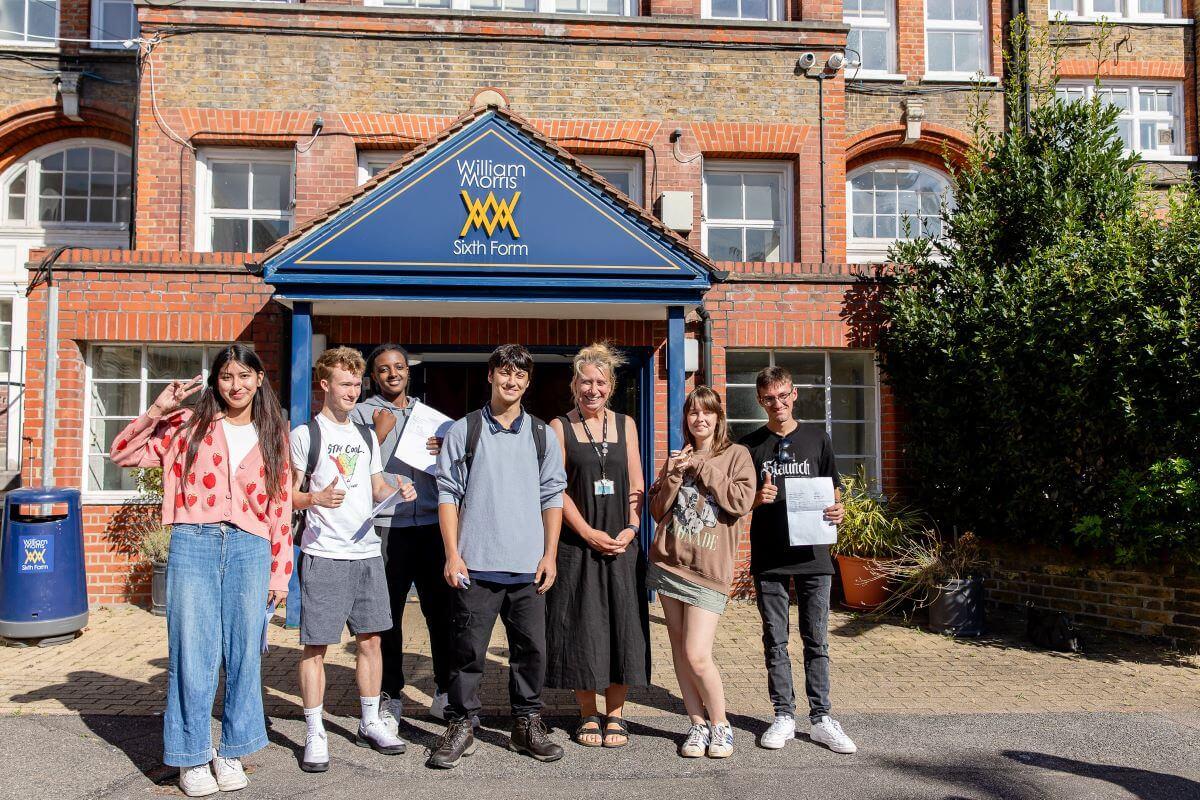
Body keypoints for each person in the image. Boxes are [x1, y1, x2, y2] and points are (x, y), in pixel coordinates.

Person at [110, 344, 292, 797]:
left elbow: (282, 505)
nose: (236, 385)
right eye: (227, 376)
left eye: (245, 376)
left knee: (245, 653)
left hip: (251, 547)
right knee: (193, 651)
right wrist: (159, 408)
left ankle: (232, 750)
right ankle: (192, 757)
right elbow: (122, 453)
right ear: (216, 381)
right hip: (195, 541)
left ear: (260, 379)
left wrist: (279, 573)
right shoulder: (187, 427)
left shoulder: (273, 432)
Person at [428, 344, 568, 769]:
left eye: (520, 376)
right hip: (476, 564)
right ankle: (462, 725)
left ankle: (526, 724)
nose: (512, 382)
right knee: (467, 651)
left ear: (528, 382)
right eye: (505, 373)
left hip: (528, 566)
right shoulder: (464, 430)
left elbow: (553, 497)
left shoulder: (543, 435)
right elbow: (448, 495)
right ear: (490, 376)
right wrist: (452, 554)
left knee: (531, 651)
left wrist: (550, 555)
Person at [290, 346, 417, 773]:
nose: (353, 391)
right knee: (315, 647)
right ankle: (315, 731)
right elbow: (284, 495)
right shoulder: (305, 436)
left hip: (367, 553)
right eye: (345, 383)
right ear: (324, 385)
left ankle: (369, 721)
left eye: (357, 384)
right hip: (325, 554)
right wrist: (314, 498)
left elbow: (375, 486)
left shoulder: (364, 436)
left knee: (372, 641)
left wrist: (398, 486)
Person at [738, 366, 855, 754]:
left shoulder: (818, 439)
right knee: (775, 639)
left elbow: (834, 492)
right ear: (760, 401)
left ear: (795, 393)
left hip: (814, 556)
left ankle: (821, 718)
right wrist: (756, 500)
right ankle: (784, 715)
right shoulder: (750, 445)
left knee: (816, 639)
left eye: (783, 395)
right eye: (769, 398)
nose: (778, 403)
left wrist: (838, 510)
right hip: (770, 556)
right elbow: (737, 503)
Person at [546, 342, 649, 749]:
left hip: (621, 542)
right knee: (582, 626)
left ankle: (617, 713)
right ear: (574, 385)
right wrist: (588, 532)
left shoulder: (626, 424)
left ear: (611, 385)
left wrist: (632, 526)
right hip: (579, 542)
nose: (593, 389)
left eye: (600, 382)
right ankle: (588, 712)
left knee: (623, 625)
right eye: (585, 382)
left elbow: (637, 484)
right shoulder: (560, 427)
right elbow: (556, 488)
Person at [648, 386, 756, 759]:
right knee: (679, 649)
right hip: (669, 565)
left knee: (697, 653)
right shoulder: (677, 457)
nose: (700, 419)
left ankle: (721, 725)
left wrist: (701, 466)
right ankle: (696, 724)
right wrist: (674, 474)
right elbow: (657, 510)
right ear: (686, 419)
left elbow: (740, 501)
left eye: (706, 412)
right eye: (693, 413)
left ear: (717, 417)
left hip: (709, 571)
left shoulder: (736, 455)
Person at [350, 343, 453, 724]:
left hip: (429, 525)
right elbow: (349, 470)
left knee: (440, 613)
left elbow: (455, 469)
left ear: (409, 371)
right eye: (383, 369)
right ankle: (391, 693)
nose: (393, 373)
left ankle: (444, 691)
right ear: (372, 376)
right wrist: (376, 435)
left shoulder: (433, 418)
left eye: (399, 367)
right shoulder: (360, 414)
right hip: (385, 527)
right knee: (385, 615)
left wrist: (447, 449)